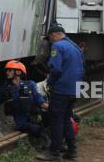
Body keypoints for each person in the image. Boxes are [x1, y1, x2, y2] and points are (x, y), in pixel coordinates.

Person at [36, 24, 84, 161]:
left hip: (61, 90)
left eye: (49, 38)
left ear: (54, 35)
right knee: (66, 119)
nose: (50, 41)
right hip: (74, 89)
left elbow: (56, 69)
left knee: (56, 120)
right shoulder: (75, 47)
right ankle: (72, 150)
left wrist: (50, 82)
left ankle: (54, 153)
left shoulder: (57, 46)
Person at [0, 60, 49, 138]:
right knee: (35, 129)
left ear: (18, 72)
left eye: (10, 70)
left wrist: (51, 108)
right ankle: (46, 137)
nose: (7, 72)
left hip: (36, 115)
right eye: (7, 70)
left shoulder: (29, 84)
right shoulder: (5, 89)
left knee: (54, 118)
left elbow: (39, 99)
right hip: (22, 121)